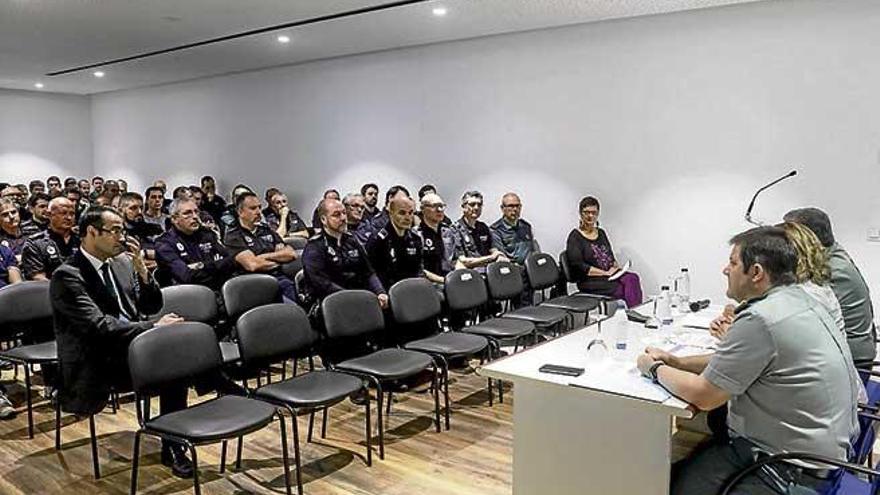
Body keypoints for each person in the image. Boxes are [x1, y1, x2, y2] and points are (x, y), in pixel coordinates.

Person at [637, 226, 860, 495]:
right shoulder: (799, 301)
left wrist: (654, 368)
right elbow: (739, 359)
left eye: (732, 262)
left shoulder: (762, 318)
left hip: (785, 469)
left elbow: (705, 396)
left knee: (660, 483)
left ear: (756, 272)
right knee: (683, 466)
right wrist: (679, 362)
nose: (724, 270)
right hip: (821, 457)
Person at [50, 205, 197, 478]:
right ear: (91, 232)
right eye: (115, 231)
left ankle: (173, 443)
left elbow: (152, 305)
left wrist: (142, 270)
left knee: (178, 353)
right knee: (174, 362)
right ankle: (185, 428)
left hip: (132, 346)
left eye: (122, 230)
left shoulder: (120, 263)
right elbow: (99, 327)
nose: (122, 237)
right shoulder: (67, 275)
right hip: (98, 358)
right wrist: (153, 328)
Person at [783, 207, 876, 367]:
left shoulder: (831, 267)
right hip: (841, 350)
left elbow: (795, 316)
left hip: (852, 360)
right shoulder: (832, 251)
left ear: (806, 236)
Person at [302, 198, 386, 306]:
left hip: (358, 297)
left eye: (344, 213)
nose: (343, 218)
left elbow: (368, 272)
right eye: (336, 215)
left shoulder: (352, 240)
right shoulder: (314, 247)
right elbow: (323, 285)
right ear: (323, 220)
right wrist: (354, 298)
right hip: (331, 303)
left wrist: (380, 292)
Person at [565, 196, 642, 308]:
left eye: (594, 213)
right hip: (589, 280)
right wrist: (605, 273)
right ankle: (633, 315)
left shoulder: (601, 233)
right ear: (581, 213)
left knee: (633, 278)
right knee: (622, 289)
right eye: (587, 212)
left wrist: (615, 267)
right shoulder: (575, 237)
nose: (590, 216)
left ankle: (636, 313)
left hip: (609, 274)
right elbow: (578, 266)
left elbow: (609, 254)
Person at [223, 192, 298, 301]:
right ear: (240, 212)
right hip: (254, 284)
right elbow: (252, 265)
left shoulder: (266, 230)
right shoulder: (233, 235)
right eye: (253, 208)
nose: (258, 212)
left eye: (259, 207)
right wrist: (279, 260)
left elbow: (291, 254)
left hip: (280, 279)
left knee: (303, 304)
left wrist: (262, 257)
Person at [155, 198, 237, 295]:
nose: (194, 216)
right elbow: (186, 276)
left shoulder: (207, 235)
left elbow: (231, 262)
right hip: (186, 296)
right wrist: (216, 266)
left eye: (196, 212)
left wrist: (202, 265)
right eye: (187, 213)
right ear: (174, 219)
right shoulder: (165, 243)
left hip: (217, 290)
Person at [366, 196, 423, 290]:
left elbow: (418, 270)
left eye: (411, 213)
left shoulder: (415, 239)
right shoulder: (378, 240)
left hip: (412, 290)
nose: (407, 217)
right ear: (391, 213)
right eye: (402, 213)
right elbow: (372, 274)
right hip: (389, 292)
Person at [444, 190, 507, 272]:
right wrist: (491, 258)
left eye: (479, 205)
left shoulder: (483, 227)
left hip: (489, 271)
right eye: (472, 204)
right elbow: (464, 261)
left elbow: (493, 249)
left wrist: (499, 256)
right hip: (471, 274)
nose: (476, 208)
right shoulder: (455, 230)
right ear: (463, 207)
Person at [20, 197, 81, 280]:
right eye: (63, 213)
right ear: (49, 214)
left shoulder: (82, 239)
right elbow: (38, 277)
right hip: (50, 289)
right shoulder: (35, 243)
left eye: (72, 214)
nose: (69, 218)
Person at [119, 192, 163, 271]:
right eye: (133, 208)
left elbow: (168, 252)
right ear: (121, 210)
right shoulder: (118, 234)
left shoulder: (154, 229)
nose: (139, 212)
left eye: (141, 208)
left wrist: (145, 253)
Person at [416, 193, 453, 284]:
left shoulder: (447, 231)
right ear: (423, 209)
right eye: (435, 206)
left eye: (441, 206)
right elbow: (419, 269)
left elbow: (455, 259)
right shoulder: (416, 235)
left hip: (449, 279)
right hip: (430, 283)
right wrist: (444, 281)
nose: (440, 210)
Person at [490, 192, 535, 265]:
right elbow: (501, 257)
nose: (515, 209)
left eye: (517, 206)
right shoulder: (495, 230)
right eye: (511, 206)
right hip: (512, 270)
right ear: (502, 208)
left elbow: (531, 250)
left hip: (530, 268)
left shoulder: (526, 226)